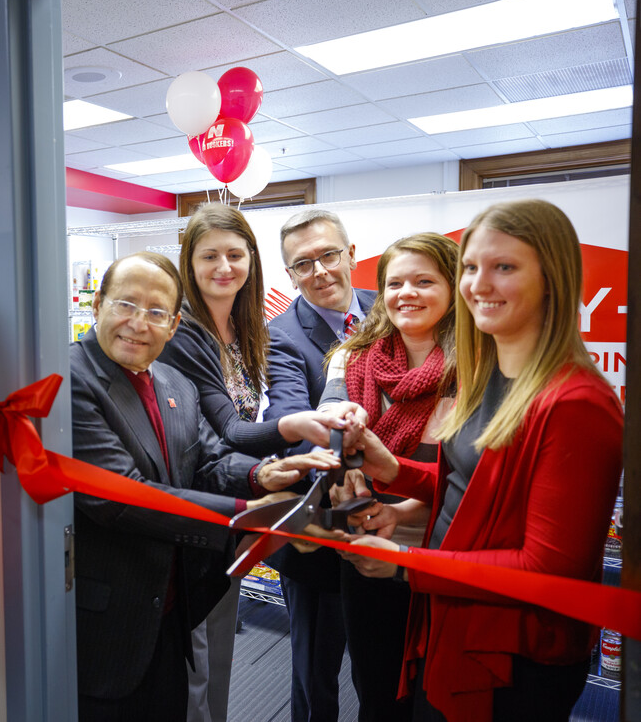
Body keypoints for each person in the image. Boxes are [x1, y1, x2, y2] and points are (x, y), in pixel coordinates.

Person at [338, 199, 623, 721]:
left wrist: (404, 567)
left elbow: (545, 569)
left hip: (513, 653)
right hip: (453, 615)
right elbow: (475, 488)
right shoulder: (490, 374)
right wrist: (395, 470)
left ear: (552, 280)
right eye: (471, 267)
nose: (479, 284)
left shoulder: (578, 402)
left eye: (504, 267)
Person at [71, 251, 346, 722]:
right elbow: (122, 497)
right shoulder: (72, 379)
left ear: (174, 324)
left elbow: (206, 460)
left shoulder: (173, 380)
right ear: (97, 306)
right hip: (112, 621)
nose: (139, 323)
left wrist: (261, 476)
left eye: (157, 312)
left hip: (174, 608)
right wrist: (254, 514)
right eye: (125, 305)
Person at [161, 204, 333, 722]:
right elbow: (228, 430)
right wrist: (293, 428)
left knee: (219, 653)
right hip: (196, 508)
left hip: (234, 503)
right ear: (189, 263)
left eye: (236, 255)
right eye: (209, 255)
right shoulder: (185, 333)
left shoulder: (245, 326)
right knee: (195, 662)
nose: (224, 267)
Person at [317, 232, 460, 722]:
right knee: (376, 693)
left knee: (439, 697)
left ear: (454, 286)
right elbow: (329, 440)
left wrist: (398, 512)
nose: (407, 293)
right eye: (395, 282)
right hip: (366, 553)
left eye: (424, 280)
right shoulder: (352, 357)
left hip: (445, 555)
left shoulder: (482, 366)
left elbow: (469, 478)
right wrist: (343, 455)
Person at [263, 208, 375, 722]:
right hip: (318, 530)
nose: (320, 272)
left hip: (392, 521)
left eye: (329, 254)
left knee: (382, 666)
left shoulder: (387, 307)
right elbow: (289, 416)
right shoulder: (280, 335)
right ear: (289, 275)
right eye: (302, 264)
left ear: (351, 254)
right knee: (315, 670)